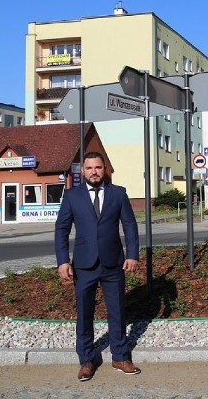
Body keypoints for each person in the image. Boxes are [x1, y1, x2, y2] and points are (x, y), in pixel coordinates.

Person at [54, 151, 141, 382]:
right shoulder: (72, 196)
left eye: (98, 167)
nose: (94, 171)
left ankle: (120, 357)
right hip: (83, 265)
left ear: (105, 170)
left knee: (117, 311)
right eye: (90, 168)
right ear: (83, 171)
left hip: (114, 264)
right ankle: (86, 361)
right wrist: (62, 261)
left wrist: (132, 255)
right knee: (84, 314)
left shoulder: (118, 194)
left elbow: (130, 226)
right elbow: (61, 229)